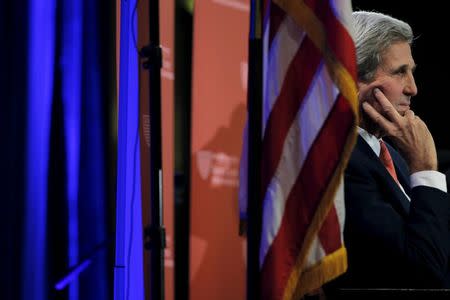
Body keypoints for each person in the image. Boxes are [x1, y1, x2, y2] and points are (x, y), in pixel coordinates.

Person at [325, 10, 450, 295]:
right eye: (399, 72)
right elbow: (422, 271)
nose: (413, 89)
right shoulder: (342, 160)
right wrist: (426, 169)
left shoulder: (390, 156)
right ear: (355, 78)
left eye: (412, 72)